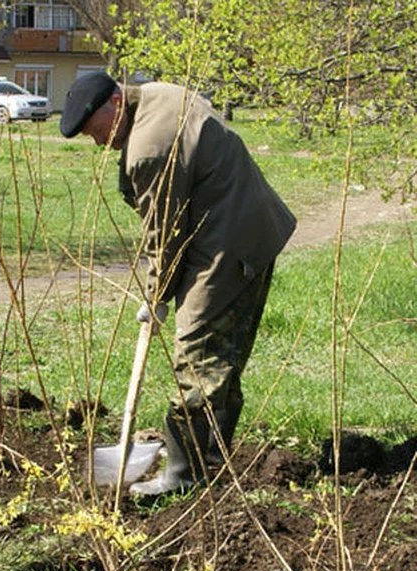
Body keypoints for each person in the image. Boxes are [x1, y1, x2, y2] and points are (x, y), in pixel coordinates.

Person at [60, 72, 296, 497]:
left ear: (116, 102)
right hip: (249, 227)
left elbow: (165, 235)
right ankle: (211, 458)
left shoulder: (149, 149)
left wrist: (156, 295)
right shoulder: (156, 96)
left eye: (97, 132)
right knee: (220, 356)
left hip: (227, 245)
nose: (99, 144)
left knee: (196, 356)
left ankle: (183, 475)